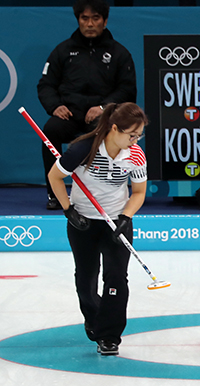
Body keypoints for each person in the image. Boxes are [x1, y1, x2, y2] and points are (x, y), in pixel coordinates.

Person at [48, 102, 148, 356]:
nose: (136, 140)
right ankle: (94, 319)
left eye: (139, 136)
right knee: (86, 279)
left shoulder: (135, 154)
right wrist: (68, 209)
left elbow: (138, 192)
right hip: (83, 222)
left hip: (117, 222)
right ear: (115, 128)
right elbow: (55, 177)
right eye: (132, 135)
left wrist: (126, 216)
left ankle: (110, 335)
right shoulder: (83, 149)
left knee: (116, 278)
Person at [38, 0, 137, 210]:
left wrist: (103, 108)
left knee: (107, 135)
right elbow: (46, 84)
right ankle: (54, 194)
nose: (90, 23)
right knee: (50, 131)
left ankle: (102, 193)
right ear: (78, 20)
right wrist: (55, 106)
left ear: (105, 21)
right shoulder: (63, 51)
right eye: (85, 18)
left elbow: (127, 90)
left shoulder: (120, 53)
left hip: (104, 118)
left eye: (95, 18)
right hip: (70, 115)